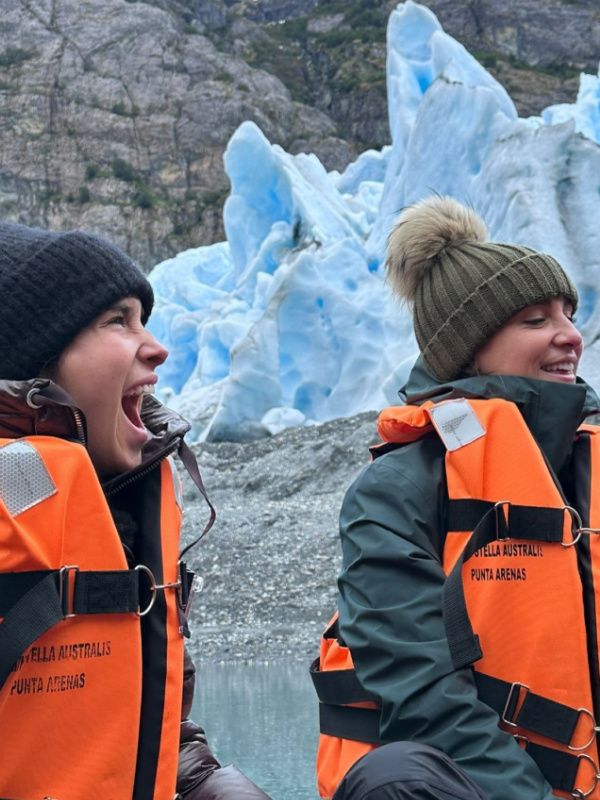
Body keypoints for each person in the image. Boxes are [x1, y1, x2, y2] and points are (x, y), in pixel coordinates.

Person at [311, 195, 600, 800]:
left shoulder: (588, 461)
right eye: (535, 320)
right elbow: (418, 686)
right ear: (469, 345)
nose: (570, 336)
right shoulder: (399, 489)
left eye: (568, 315)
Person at [0, 222, 271, 800]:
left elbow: (145, 725)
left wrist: (206, 786)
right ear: (34, 356)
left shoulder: (119, 517)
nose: (156, 347)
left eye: (143, 320)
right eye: (117, 320)